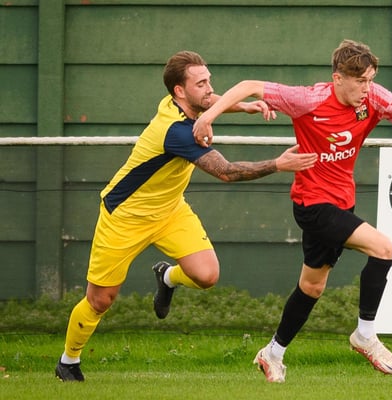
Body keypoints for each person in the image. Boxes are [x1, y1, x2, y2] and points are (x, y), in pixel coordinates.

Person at [192, 39, 392, 383]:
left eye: (370, 80)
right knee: (384, 248)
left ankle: (273, 353)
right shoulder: (308, 99)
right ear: (338, 78)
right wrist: (208, 116)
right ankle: (365, 335)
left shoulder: (372, 98)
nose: (366, 88)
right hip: (312, 204)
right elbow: (249, 86)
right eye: (360, 81)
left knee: (312, 287)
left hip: (341, 202)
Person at [54, 51, 318, 382]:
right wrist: (279, 164)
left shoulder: (185, 104)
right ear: (180, 91)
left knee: (207, 275)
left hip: (171, 210)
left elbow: (209, 102)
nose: (210, 88)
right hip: (124, 216)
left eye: (210, 80)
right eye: (201, 83)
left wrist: (244, 105)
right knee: (100, 300)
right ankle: (69, 361)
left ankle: (166, 278)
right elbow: (227, 171)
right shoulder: (175, 131)